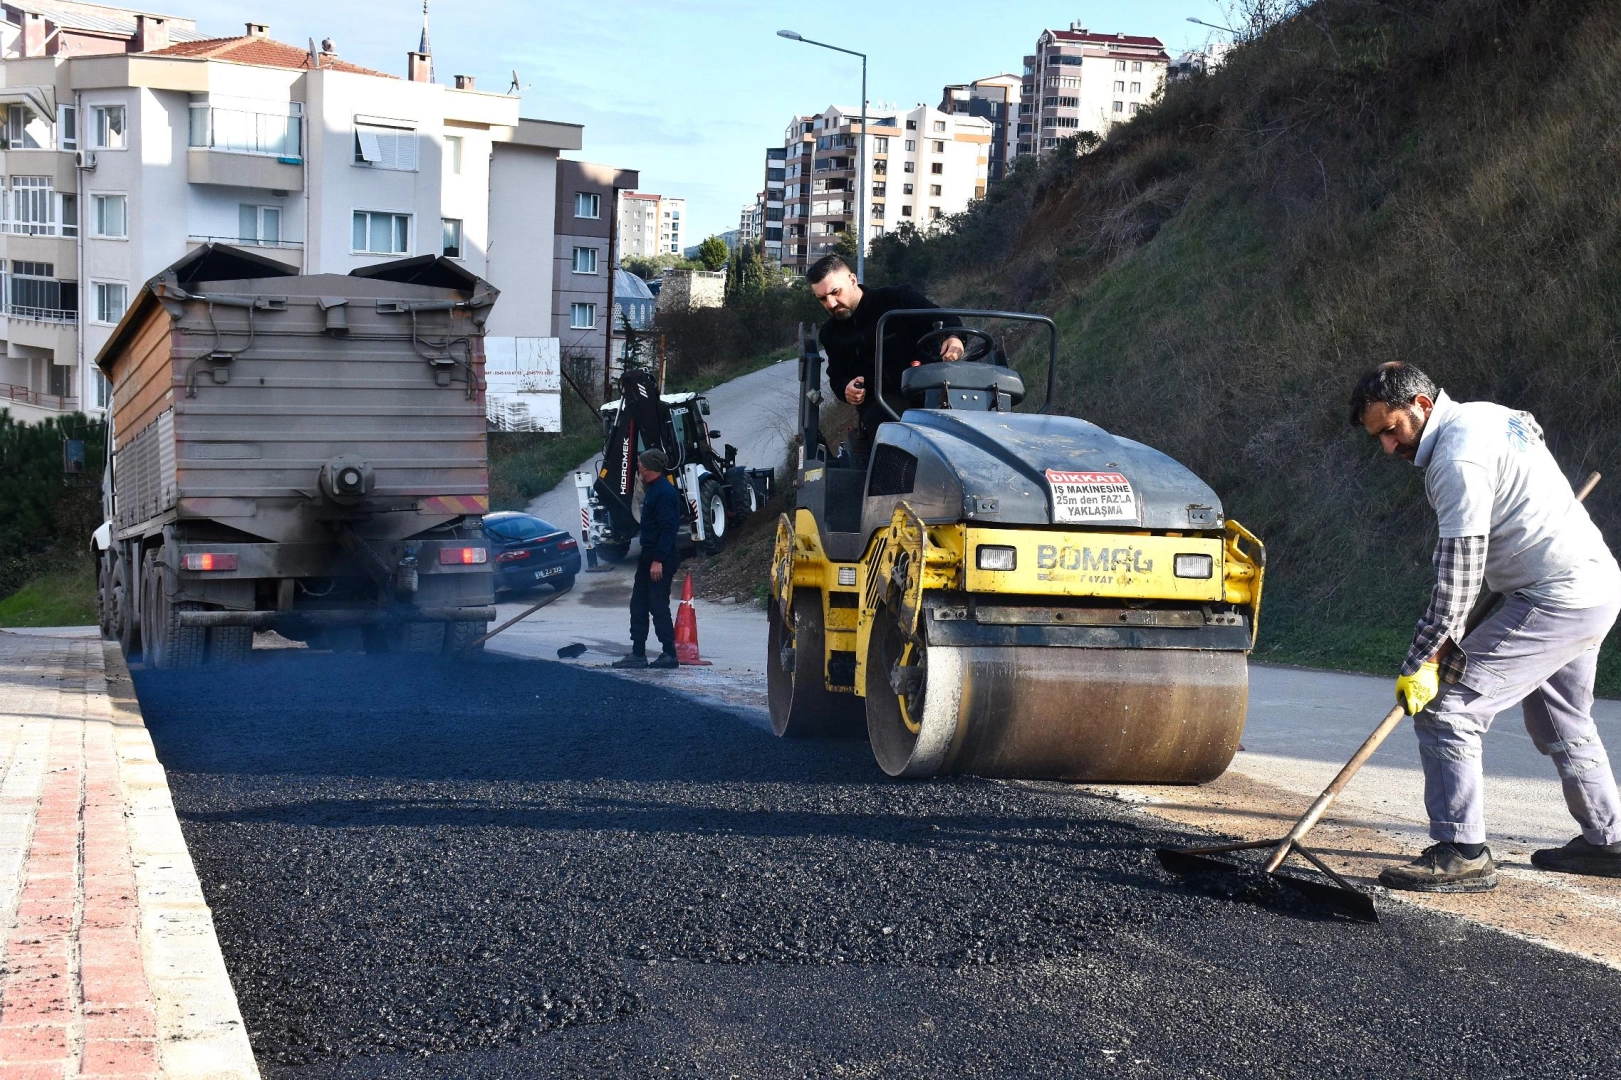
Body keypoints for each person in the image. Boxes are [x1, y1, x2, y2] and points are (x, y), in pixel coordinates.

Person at [1350, 361, 1621, 892]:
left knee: (1448, 706)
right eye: (1377, 436)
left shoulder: (1456, 459)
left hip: (1556, 596)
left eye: (1391, 430)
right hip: (1593, 585)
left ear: (1421, 407)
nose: (1387, 447)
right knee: (1560, 717)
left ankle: (1463, 851)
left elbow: (1458, 576)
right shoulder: (1490, 416)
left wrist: (1424, 660)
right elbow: (1532, 427)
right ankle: (1608, 842)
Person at [807, 254, 965, 459]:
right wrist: (846, 388)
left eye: (835, 292)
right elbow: (837, 376)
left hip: (930, 388)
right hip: (881, 402)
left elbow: (944, 317)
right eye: (822, 299)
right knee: (890, 434)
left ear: (852, 280)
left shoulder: (898, 299)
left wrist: (954, 337)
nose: (831, 303)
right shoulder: (831, 334)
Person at [612, 449, 682, 670]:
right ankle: (638, 653)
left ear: (648, 468)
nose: (638, 467)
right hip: (649, 555)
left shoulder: (663, 493)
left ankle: (669, 653)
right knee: (639, 604)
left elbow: (668, 530)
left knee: (658, 604)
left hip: (659, 556)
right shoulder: (654, 489)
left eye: (640, 464)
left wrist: (658, 560)